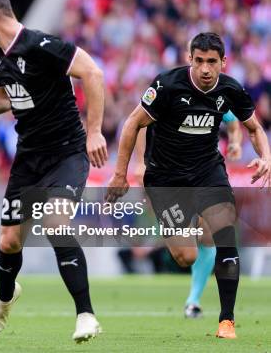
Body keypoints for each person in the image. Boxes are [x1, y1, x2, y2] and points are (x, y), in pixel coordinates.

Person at [0, 0, 107, 343]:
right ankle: (6, 297)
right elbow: (6, 97)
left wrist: (95, 132)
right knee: (9, 242)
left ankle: (86, 315)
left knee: (56, 221)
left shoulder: (42, 45)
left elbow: (93, 73)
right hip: (29, 158)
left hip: (67, 153)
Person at [107, 32, 271, 339]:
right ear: (189, 60)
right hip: (166, 180)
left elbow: (254, 128)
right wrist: (120, 174)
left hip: (208, 173)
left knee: (225, 236)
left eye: (212, 62)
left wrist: (267, 157)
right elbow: (132, 123)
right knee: (186, 256)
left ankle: (227, 321)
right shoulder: (168, 85)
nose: (206, 69)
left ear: (223, 62)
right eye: (199, 61)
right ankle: (192, 225)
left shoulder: (230, 89)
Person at [184, 110, 242, 319]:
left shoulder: (217, 98)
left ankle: (193, 299)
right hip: (173, 175)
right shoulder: (172, 94)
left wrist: (235, 142)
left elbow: (234, 123)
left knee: (207, 236)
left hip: (207, 175)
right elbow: (142, 124)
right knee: (185, 253)